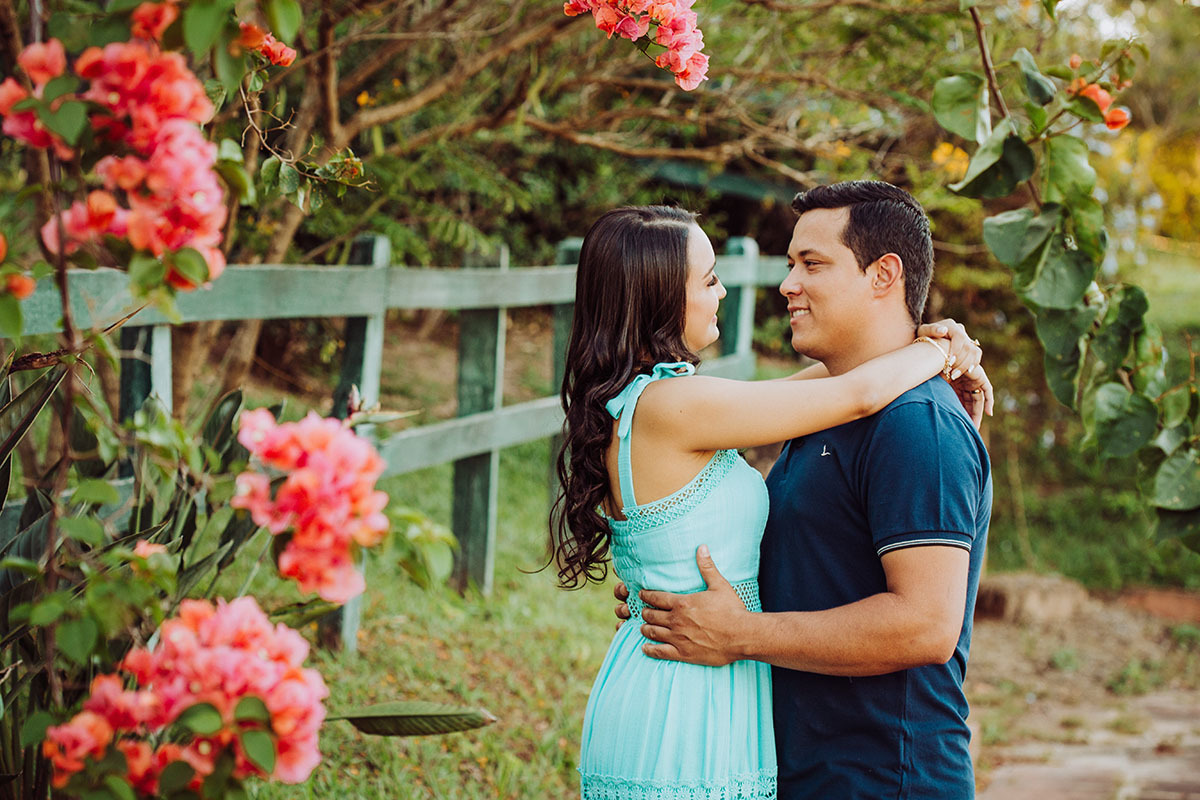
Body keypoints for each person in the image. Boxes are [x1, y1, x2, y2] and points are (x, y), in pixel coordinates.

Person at [552, 202, 991, 799]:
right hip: (688, 705)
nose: (727, 291)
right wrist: (941, 350)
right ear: (659, 296)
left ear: (883, 275)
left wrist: (924, 345)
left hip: (710, 695)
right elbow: (858, 392)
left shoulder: (656, 401)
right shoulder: (676, 406)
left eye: (811, 263)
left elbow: (823, 386)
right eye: (709, 279)